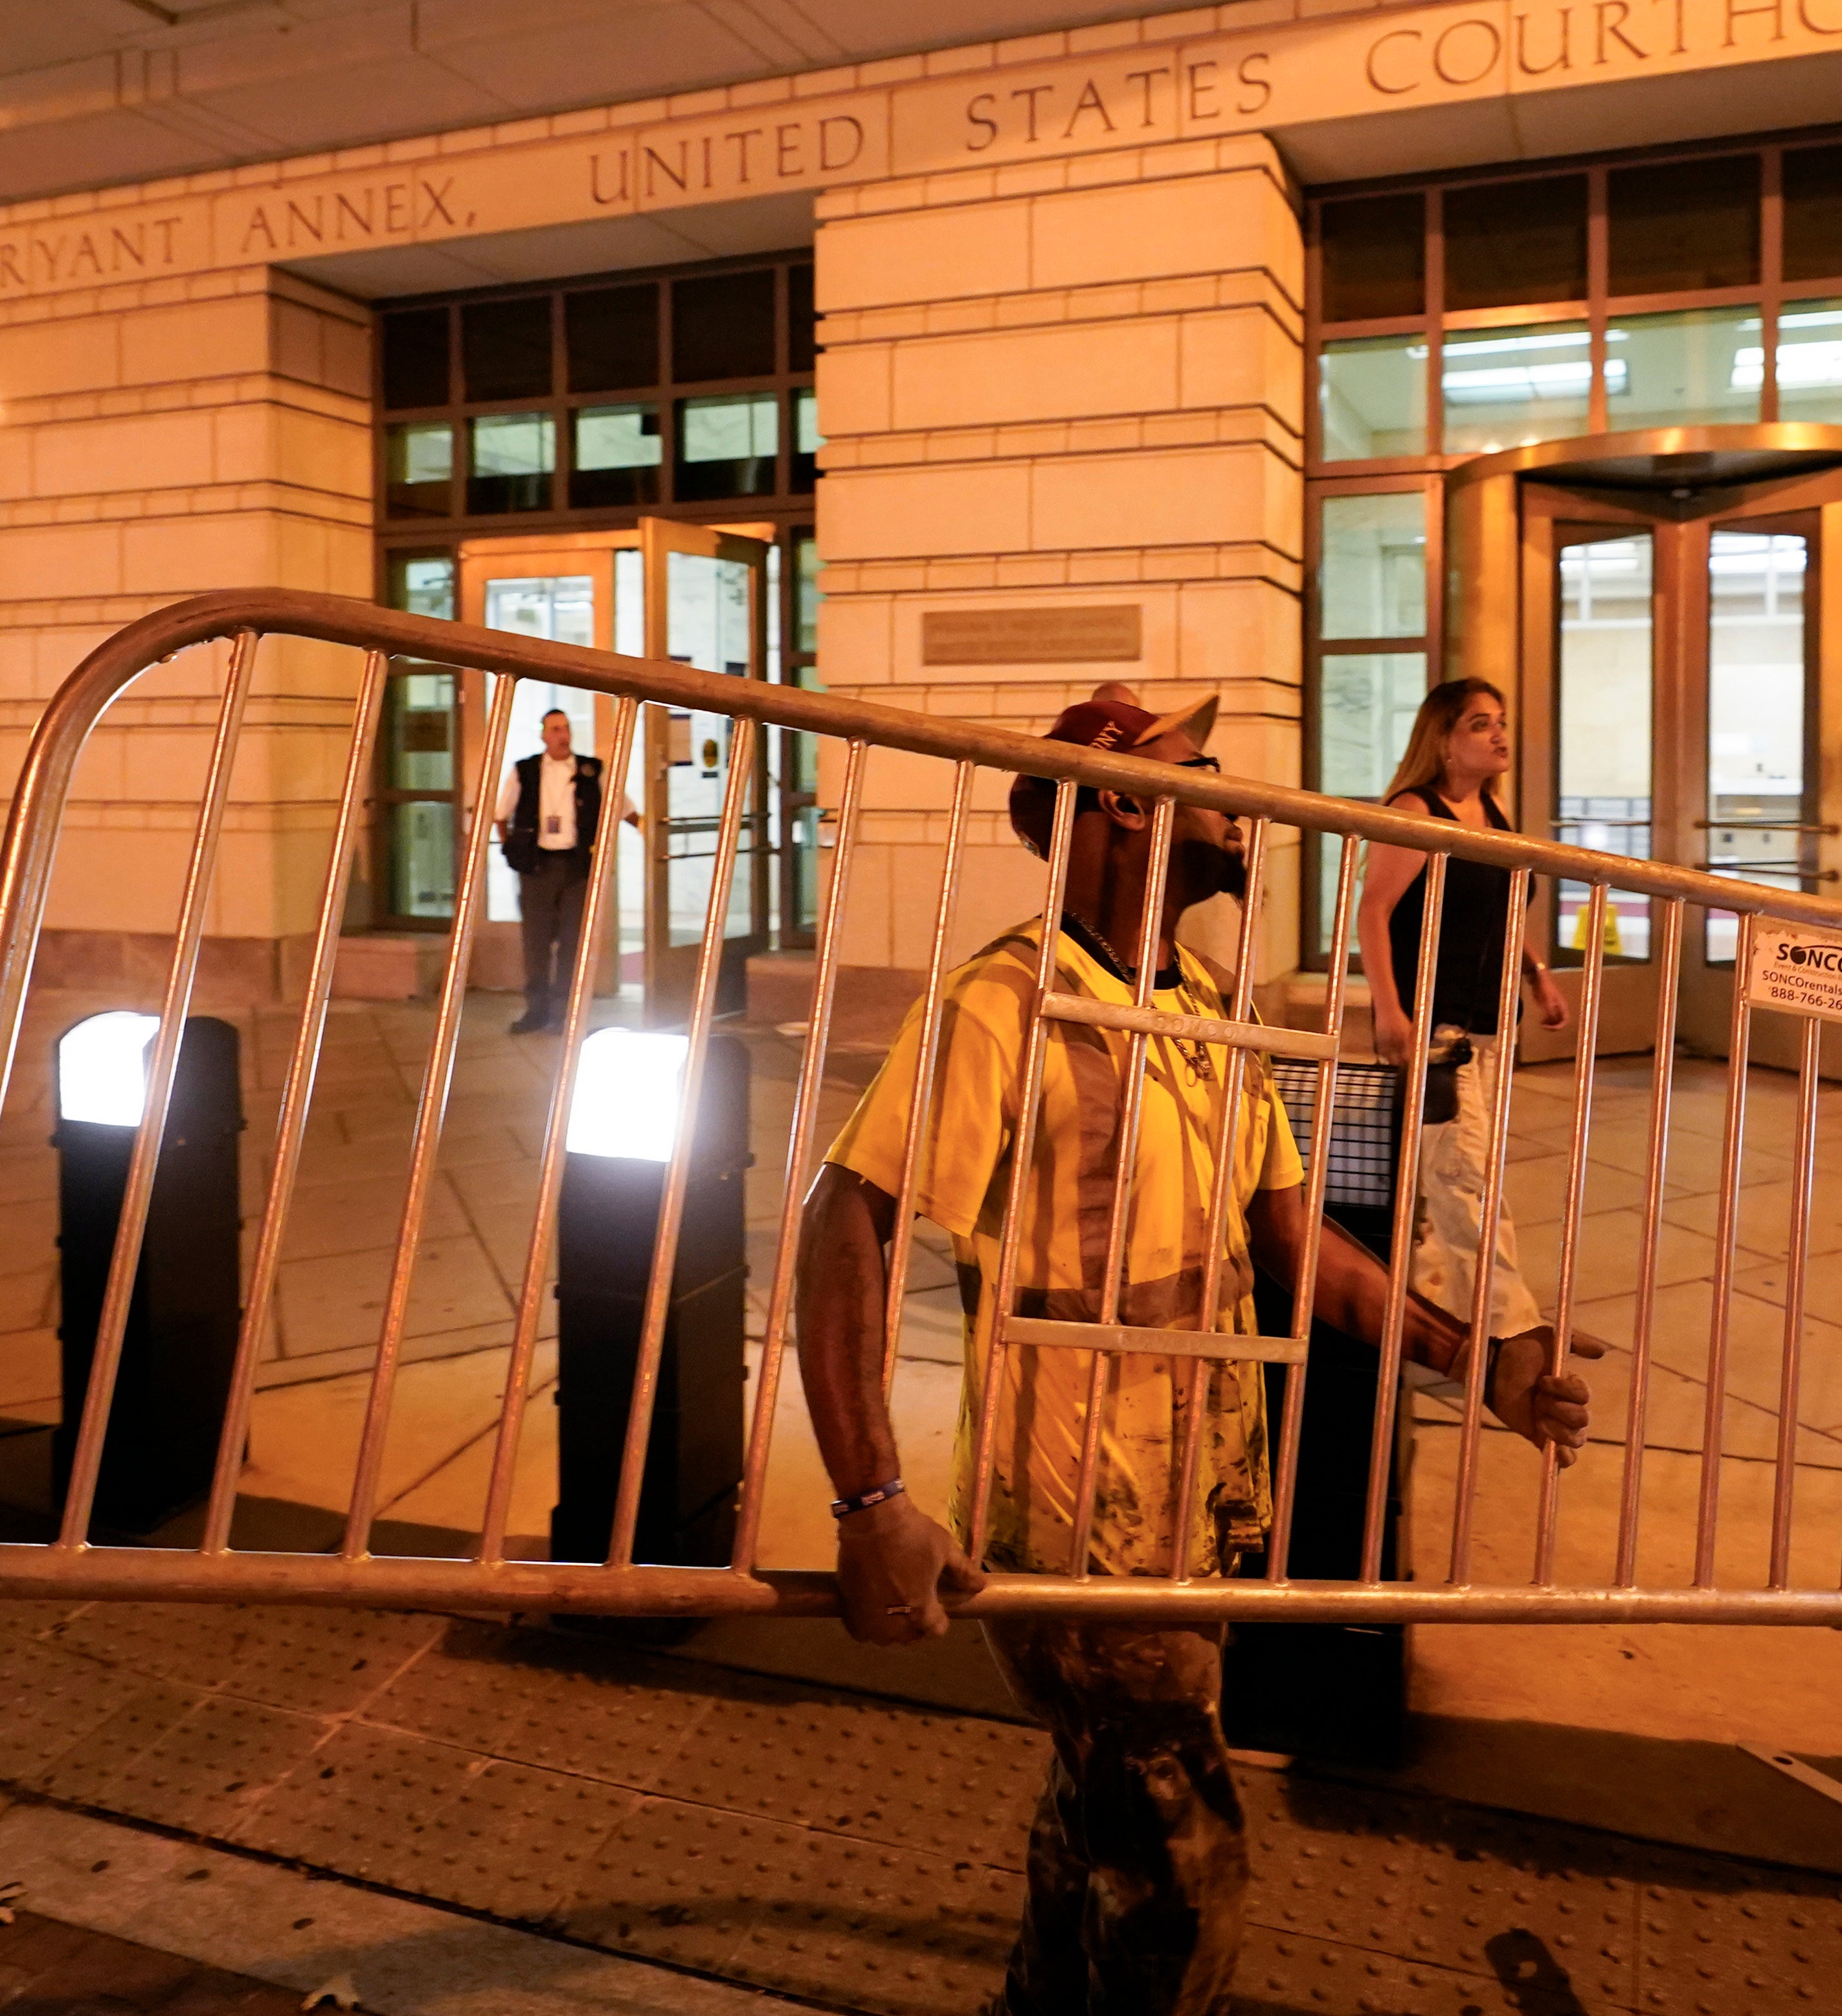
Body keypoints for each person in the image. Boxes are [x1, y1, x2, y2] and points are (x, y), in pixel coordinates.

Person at [792, 680, 1602, 2015]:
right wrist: (871, 1499)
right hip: (1074, 1529)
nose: (1235, 798)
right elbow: (848, 1220)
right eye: (1203, 768)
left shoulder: (1210, 1006)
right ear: (1121, 797)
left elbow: (1294, 1245)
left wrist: (1479, 1359)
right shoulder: (1009, 1003)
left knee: (1096, 1811)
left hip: (1187, 1510)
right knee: (1188, 1866)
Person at [1360, 677, 1568, 1362]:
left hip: (1489, 1022)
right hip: (1436, 1026)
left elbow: (1502, 909)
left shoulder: (1493, 813)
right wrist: (1390, 1010)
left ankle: (1434, 1311)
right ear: (1444, 742)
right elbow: (1376, 913)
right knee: (1465, 1180)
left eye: (1500, 721)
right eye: (1481, 724)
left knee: (1458, 1175)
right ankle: (1506, 1332)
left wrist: (1537, 974)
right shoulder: (1415, 812)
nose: (1499, 734)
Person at [493, 706, 635, 1036]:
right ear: (543, 735)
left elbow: (623, 808)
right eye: (555, 729)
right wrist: (514, 851)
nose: (562, 735)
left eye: (566, 728)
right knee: (536, 942)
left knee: (573, 943)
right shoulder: (525, 771)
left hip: (576, 868)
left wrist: (648, 831)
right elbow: (502, 815)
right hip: (537, 868)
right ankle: (537, 1010)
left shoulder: (591, 770)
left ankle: (565, 1013)